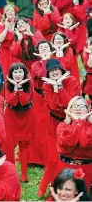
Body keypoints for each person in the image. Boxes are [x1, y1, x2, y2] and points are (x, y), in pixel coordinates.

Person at [38, 58, 80, 197]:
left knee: (69, 157)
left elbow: (70, 103)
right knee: (52, 159)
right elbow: (53, 107)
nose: (54, 72)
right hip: (54, 124)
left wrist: (60, 87)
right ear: (48, 74)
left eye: (56, 69)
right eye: (51, 71)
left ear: (61, 69)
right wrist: (55, 88)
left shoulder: (71, 81)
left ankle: (68, 189)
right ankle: (43, 189)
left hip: (71, 124)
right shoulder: (46, 86)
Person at [2, 62, 34, 182]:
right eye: (15, 72)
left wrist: (20, 88)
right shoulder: (8, 84)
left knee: (24, 145)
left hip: (26, 116)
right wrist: (15, 87)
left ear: (25, 73)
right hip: (11, 117)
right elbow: (11, 101)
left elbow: (25, 101)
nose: (18, 74)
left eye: (20, 71)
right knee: (10, 145)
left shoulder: (30, 83)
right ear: (11, 74)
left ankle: (24, 174)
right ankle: (11, 172)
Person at [55, 96, 92, 189]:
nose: (78, 108)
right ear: (69, 110)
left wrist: (80, 122)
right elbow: (69, 143)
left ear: (88, 110)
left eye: (82, 106)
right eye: (74, 106)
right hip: (65, 169)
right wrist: (78, 122)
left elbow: (85, 143)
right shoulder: (62, 126)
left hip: (87, 170)